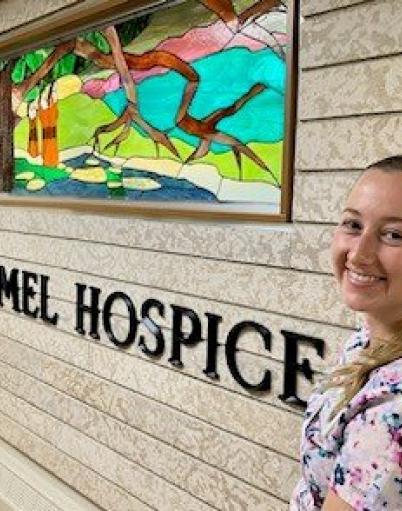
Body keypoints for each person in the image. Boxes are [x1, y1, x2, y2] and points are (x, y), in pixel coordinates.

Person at [290, 157, 402, 510]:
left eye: (394, 234)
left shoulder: (392, 413)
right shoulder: (371, 333)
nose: (360, 253)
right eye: (353, 224)